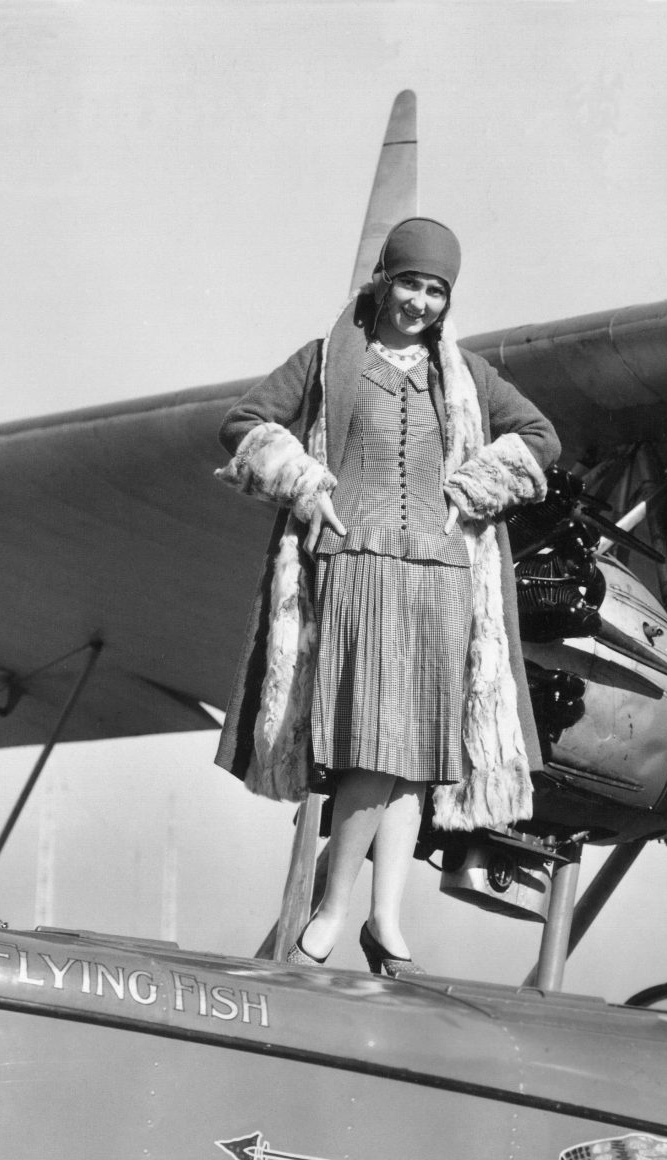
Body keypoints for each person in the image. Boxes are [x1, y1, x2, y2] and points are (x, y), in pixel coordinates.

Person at [213, 217, 560, 970]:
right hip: (359, 567)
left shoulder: (462, 375)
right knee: (373, 746)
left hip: (442, 578)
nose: (422, 302)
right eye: (411, 283)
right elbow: (243, 422)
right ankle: (335, 913)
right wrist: (305, 481)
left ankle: (384, 918)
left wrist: (474, 490)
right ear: (383, 279)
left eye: (436, 290)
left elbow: (539, 437)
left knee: (416, 759)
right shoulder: (327, 360)